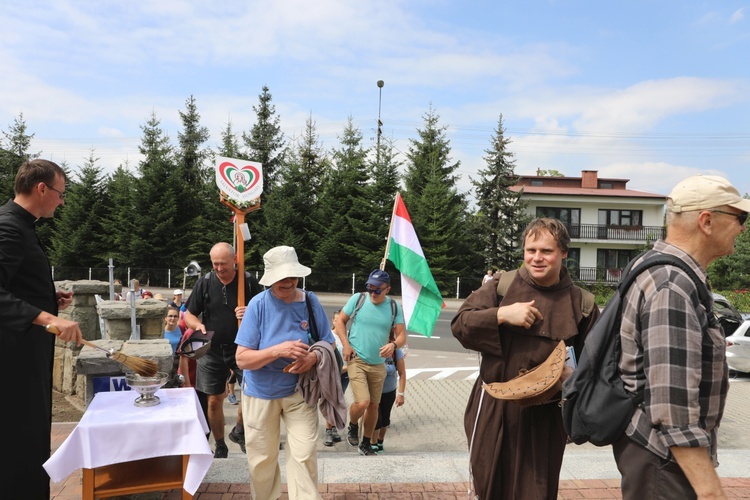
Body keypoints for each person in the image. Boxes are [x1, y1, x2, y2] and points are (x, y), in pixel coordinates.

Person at [612, 175, 746, 499]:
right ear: (707, 221)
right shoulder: (672, 285)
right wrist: (711, 491)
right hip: (666, 463)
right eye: (740, 218)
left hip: (660, 459)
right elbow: (674, 412)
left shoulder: (660, 269)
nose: (743, 228)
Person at [451, 218, 601, 499]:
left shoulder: (581, 303)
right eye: (531, 250)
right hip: (494, 409)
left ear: (564, 253)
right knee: (490, 486)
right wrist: (500, 315)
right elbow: (460, 324)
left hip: (545, 417)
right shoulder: (501, 286)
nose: (537, 258)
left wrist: (574, 378)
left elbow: (597, 365)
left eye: (547, 251)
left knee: (536, 491)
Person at [0, 159, 83, 499]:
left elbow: (15, 285)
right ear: (42, 189)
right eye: (61, 194)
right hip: (13, 362)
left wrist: (50, 300)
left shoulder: (23, 227)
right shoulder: (8, 227)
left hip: (26, 356)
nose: (62, 202)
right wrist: (48, 318)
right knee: (20, 442)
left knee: (32, 439)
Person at [235, 245, 337, 500]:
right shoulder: (258, 304)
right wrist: (277, 350)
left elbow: (329, 341)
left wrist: (313, 357)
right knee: (262, 461)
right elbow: (242, 359)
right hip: (260, 394)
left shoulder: (310, 301)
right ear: (271, 279)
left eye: (292, 276)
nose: (288, 282)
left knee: (304, 456)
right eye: (282, 277)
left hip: (299, 392)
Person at [183, 242, 263, 458]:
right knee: (213, 399)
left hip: (244, 347)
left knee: (252, 396)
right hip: (212, 349)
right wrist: (196, 326)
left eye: (223, 264)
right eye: (215, 264)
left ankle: (239, 431)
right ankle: (220, 444)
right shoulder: (205, 282)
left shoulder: (247, 281)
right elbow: (189, 314)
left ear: (234, 260)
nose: (219, 268)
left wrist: (251, 312)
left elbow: (265, 310)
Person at [335, 269, 406, 456]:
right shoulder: (358, 299)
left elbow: (401, 335)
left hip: (378, 364)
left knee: (374, 405)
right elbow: (340, 321)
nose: (373, 293)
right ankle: (352, 424)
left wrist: (393, 345)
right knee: (363, 401)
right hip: (356, 359)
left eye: (377, 290)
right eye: (370, 288)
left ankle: (365, 442)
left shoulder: (394, 306)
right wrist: (345, 345)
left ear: (387, 289)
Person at [372, 342, 406, 454]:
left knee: (385, 419)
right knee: (376, 419)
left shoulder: (396, 352)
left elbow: (402, 374)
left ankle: (380, 441)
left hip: (389, 391)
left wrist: (401, 394)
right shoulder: (371, 347)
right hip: (373, 391)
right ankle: (373, 443)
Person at [323, 309, 349, 446]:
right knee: (331, 402)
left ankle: (333, 429)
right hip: (332, 375)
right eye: (336, 319)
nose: (339, 322)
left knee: (338, 402)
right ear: (333, 321)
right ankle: (328, 431)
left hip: (345, 375)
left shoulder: (347, 336)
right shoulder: (329, 337)